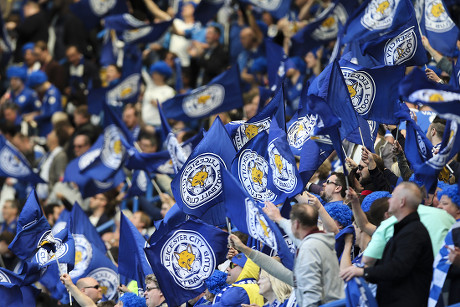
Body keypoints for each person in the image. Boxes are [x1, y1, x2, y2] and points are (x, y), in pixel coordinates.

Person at [340, 182, 434, 306]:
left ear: (402, 202)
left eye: (393, 197)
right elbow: (365, 225)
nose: (389, 201)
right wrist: (355, 202)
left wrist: (363, 272)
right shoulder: (403, 228)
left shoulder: (413, 232)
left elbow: (398, 268)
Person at [24, 70, 63, 137]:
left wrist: (35, 117)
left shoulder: (53, 93)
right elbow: (45, 110)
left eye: (35, 87)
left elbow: (52, 112)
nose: (36, 90)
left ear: (39, 85)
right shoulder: (47, 93)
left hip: (51, 127)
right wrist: (36, 114)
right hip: (45, 127)